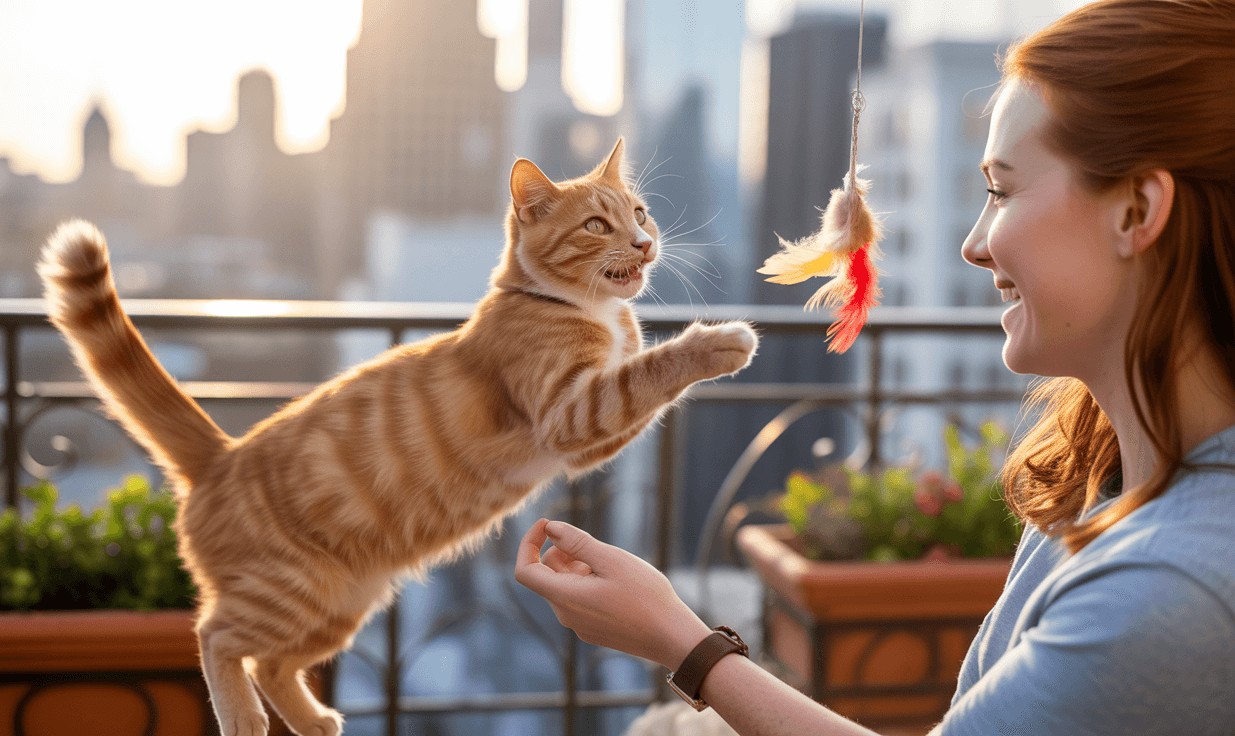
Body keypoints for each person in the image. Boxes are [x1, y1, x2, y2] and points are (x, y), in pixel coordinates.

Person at [514, 0, 1235, 733]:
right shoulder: (1100, 468)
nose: (974, 244)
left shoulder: (1167, 592)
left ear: (1137, 211)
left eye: (1001, 190)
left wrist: (681, 641)